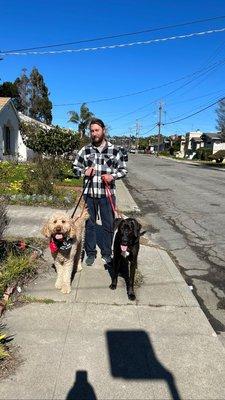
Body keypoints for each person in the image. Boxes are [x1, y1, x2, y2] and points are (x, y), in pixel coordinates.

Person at [73, 118, 127, 266]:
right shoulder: (85, 150)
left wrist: (112, 176)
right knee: (89, 225)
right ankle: (90, 253)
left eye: (97, 130)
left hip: (107, 194)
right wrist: (85, 171)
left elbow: (123, 170)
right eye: (92, 131)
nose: (94, 133)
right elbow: (75, 168)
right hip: (89, 194)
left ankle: (107, 253)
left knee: (108, 225)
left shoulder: (115, 150)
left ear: (103, 130)